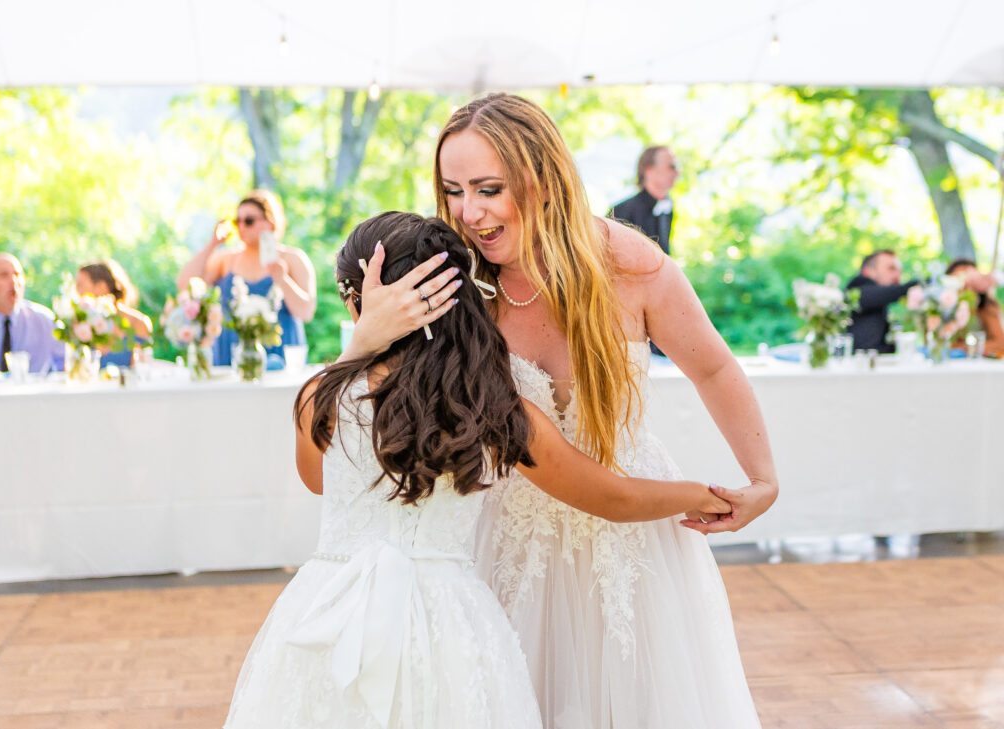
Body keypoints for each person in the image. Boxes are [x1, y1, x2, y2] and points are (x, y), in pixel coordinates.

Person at [345, 94, 777, 728]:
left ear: (541, 177)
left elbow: (714, 367)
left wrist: (762, 477)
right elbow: (367, 410)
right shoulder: (456, 283)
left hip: (633, 543)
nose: (470, 212)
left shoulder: (633, 267)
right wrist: (363, 337)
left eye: (489, 188)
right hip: (504, 538)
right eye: (454, 190)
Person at [223, 212, 734, 728]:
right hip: (448, 624)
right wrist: (700, 494)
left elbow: (317, 479)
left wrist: (355, 353)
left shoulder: (323, 394)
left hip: (328, 613)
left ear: (361, 300)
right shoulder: (489, 407)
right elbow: (611, 497)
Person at [177, 190, 315, 368]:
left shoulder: (293, 259)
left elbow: (306, 312)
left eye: (249, 221)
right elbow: (184, 283)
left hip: (280, 353)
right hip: (232, 352)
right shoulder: (226, 260)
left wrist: (282, 279)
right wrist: (212, 244)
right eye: (237, 221)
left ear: (270, 223)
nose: (241, 226)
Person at [0, 252, 63, 373]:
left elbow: (71, 364)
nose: (14, 281)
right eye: (4, 275)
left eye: (17, 275)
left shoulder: (45, 321)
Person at [75, 259, 153, 367]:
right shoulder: (80, 324)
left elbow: (142, 369)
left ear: (102, 287)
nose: (77, 291)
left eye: (80, 285)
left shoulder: (138, 323)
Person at [846, 249, 920, 353]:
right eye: (891, 269)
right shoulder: (857, 288)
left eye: (899, 271)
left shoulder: (880, 303)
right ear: (868, 272)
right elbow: (889, 293)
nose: (897, 275)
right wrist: (921, 283)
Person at [609, 144, 678, 254]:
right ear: (649, 171)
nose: (677, 172)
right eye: (671, 167)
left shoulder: (667, 209)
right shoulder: (621, 212)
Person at [946, 258, 1004, 358]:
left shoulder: (986, 307)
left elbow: (1000, 343)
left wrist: (962, 348)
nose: (965, 287)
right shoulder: (942, 309)